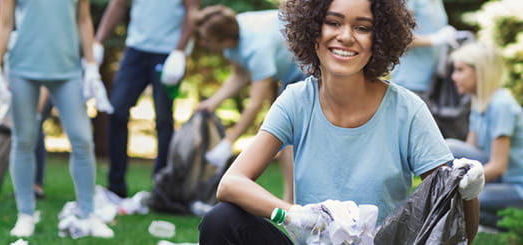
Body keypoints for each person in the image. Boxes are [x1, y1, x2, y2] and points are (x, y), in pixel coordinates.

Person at [198, 0, 483, 244]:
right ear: (313, 30)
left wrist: (467, 195)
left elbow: (459, 234)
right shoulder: (296, 100)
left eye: (362, 27)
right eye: (333, 23)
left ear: (380, 37)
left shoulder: (407, 110)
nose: (346, 36)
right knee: (221, 220)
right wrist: (294, 214)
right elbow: (231, 184)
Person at [0, 0, 113, 237]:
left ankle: (89, 214)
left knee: (82, 140)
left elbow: (83, 20)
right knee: (23, 140)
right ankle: (25, 214)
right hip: (22, 68)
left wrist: (92, 66)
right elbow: (4, 23)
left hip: (67, 70)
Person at [194, 5, 309, 202]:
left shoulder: (257, 47)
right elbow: (239, 75)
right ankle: (291, 199)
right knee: (286, 141)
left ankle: (291, 200)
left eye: (207, 40)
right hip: (290, 74)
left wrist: (228, 143)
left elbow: (256, 104)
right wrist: (213, 102)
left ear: (223, 40)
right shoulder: (235, 33)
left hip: (306, 69)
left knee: (288, 139)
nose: (204, 44)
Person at [94, 0, 200, 198]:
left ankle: (161, 188)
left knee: (163, 119)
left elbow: (192, 12)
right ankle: (115, 187)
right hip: (135, 50)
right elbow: (118, 5)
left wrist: (179, 51)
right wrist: (98, 41)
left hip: (168, 53)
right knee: (116, 111)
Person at [446, 42, 523, 229]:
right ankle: (493, 223)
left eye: (460, 70)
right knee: (452, 154)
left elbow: (498, 166)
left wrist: (458, 187)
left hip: (516, 186)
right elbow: (470, 153)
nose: (453, 77)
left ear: (479, 71)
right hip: (499, 181)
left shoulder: (501, 105)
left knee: (465, 200)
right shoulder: (480, 102)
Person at [0, 0, 47, 199]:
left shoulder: (26, 35)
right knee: (21, 134)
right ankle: (22, 187)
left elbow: (43, 72)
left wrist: (38, 108)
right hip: (14, 88)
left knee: (36, 130)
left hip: (39, 85)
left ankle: (36, 184)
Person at [390, 0, 457, 96]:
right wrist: (433, 39)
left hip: (434, 82)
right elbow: (398, 36)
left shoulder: (437, 2)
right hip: (410, 81)